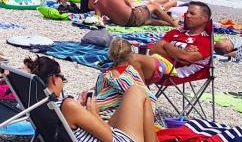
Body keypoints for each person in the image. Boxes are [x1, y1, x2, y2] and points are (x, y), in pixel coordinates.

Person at [25, 55, 156, 142]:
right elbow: (110, 138)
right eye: (61, 77)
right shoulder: (68, 105)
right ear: (54, 79)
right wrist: (94, 114)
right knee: (137, 91)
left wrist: (80, 109)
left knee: (134, 95)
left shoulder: (38, 104)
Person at [94, 38, 158, 120]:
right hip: (143, 112)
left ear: (110, 53)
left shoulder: (107, 76)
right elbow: (141, 88)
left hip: (118, 114)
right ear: (130, 54)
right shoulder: (132, 72)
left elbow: (102, 93)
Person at [149, 2, 213, 80]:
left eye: (192, 14)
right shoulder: (176, 32)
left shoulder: (205, 40)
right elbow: (153, 50)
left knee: (136, 62)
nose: (187, 15)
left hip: (175, 73)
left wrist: (166, 45)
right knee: (137, 64)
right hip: (158, 65)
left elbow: (185, 58)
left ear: (204, 18)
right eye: (187, 13)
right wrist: (179, 54)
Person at [100, 37, 173, 92]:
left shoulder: (132, 62)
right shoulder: (126, 60)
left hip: (159, 68)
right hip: (152, 63)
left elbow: (140, 85)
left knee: (136, 82)